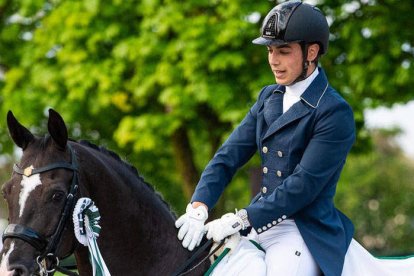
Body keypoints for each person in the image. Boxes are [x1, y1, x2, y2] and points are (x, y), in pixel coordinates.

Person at [175, 1, 356, 275]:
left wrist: (241, 219)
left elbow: (303, 186)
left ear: (312, 52)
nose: (273, 60)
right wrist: (199, 206)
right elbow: (228, 156)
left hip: (300, 229)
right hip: (259, 223)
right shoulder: (268, 97)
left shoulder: (333, 111)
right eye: (270, 50)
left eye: (283, 51)